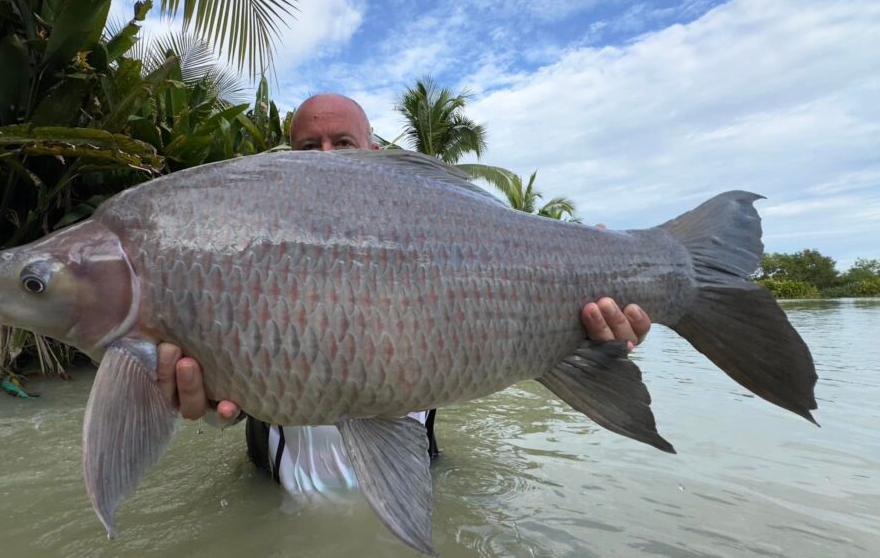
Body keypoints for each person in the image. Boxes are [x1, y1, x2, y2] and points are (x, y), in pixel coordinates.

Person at [155, 93, 651, 494]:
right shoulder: (251, 256)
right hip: (276, 499)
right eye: (309, 148)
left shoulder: (437, 247)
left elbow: (519, 322)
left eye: (343, 143)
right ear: (288, 165)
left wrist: (599, 319)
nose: (327, 160)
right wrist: (213, 405)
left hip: (411, 486)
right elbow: (228, 394)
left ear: (376, 156)